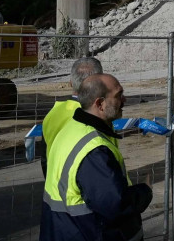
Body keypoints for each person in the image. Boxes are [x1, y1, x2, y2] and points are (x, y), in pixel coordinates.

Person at [40, 74, 152, 241]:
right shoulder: (93, 150)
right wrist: (145, 192)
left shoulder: (73, 127)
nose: (124, 99)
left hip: (64, 229)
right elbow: (114, 205)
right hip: (85, 232)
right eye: (118, 95)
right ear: (100, 104)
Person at [40, 57, 103, 176]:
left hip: (55, 185)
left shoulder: (52, 114)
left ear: (71, 83)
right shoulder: (98, 115)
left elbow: (44, 158)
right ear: (99, 83)